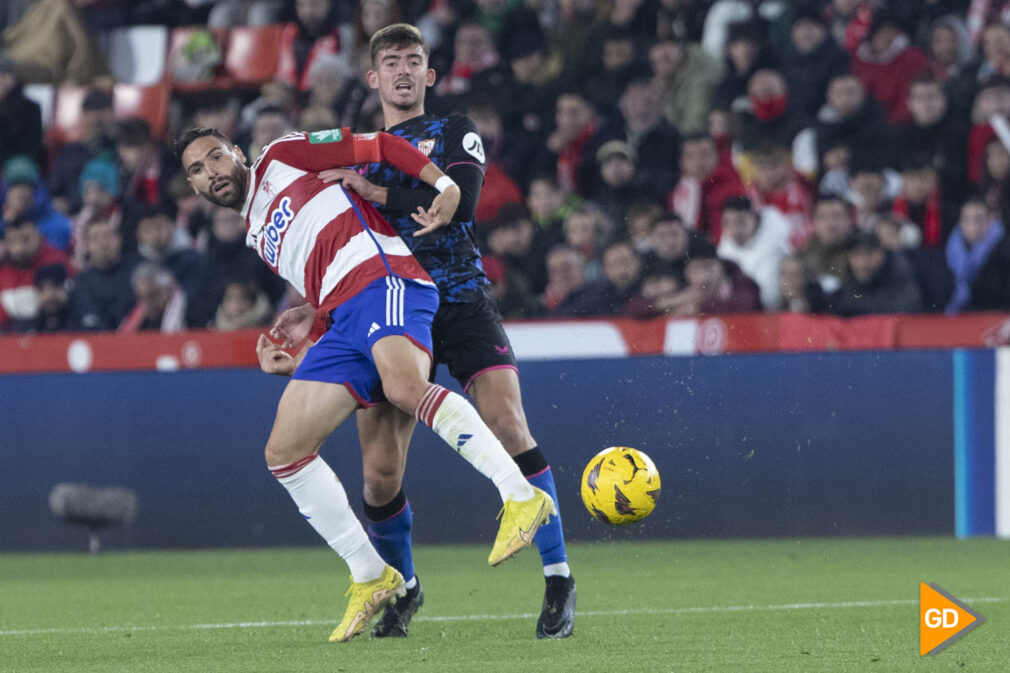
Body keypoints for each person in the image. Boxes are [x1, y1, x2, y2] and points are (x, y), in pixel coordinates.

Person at [175, 124, 554, 642]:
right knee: (284, 451)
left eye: (215, 157)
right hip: (344, 319)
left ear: (237, 153)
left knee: (403, 388)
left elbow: (377, 145)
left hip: (385, 281)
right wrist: (307, 352)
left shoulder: (283, 155)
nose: (211, 172)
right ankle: (370, 574)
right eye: (197, 170)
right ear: (194, 189)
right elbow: (327, 282)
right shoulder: (255, 232)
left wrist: (445, 185)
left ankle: (521, 496)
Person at [311, 24, 577, 640]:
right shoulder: (352, 152)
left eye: (414, 61)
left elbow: (465, 193)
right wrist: (315, 309)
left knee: (507, 423)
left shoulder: (454, 131)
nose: (403, 71)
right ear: (372, 78)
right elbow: (335, 243)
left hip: (458, 297)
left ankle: (558, 578)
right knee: (379, 472)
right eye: (391, 63)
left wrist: (381, 192)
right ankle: (403, 589)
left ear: (428, 76)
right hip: (390, 312)